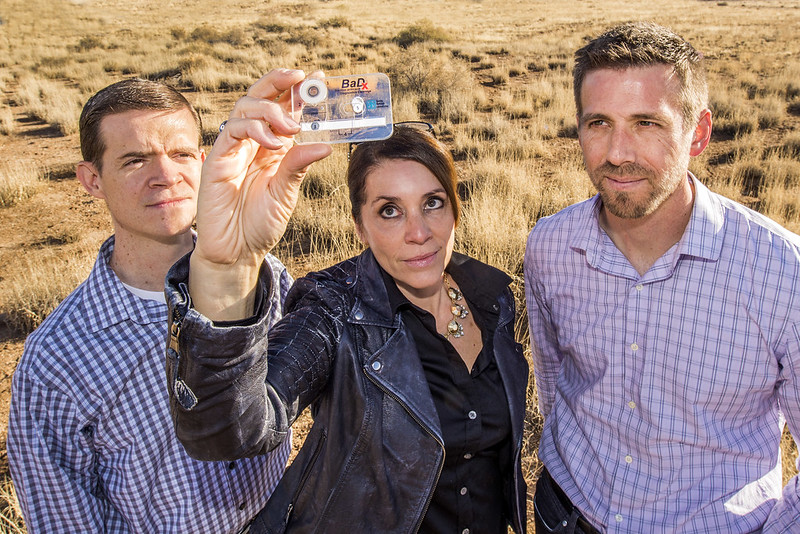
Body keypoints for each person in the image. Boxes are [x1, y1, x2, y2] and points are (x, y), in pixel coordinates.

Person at [163, 68, 528, 533]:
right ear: (360, 227)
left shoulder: (493, 299)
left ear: (456, 207)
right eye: (389, 211)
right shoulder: (334, 307)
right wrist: (225, 268)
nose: (419, 233)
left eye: (433, 203)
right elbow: (234, 428)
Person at [524, 21, 800, 533]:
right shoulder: (550, 246)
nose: (616, 153)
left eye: (646, 123)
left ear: (698, 132)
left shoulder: (783, 272)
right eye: (598, 123)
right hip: (570, 516)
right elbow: (555, 383)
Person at [7, 78, 293, 533]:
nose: (166, 175)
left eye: (181, 154)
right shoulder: (57, 360)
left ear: (203, 162)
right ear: (92, 180)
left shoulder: (266, 276)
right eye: (135, 159)